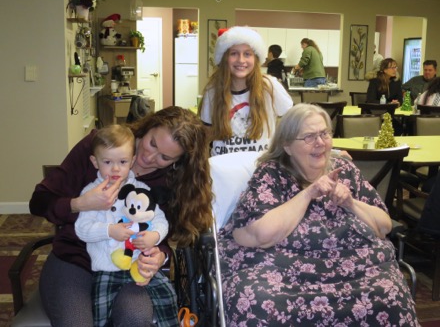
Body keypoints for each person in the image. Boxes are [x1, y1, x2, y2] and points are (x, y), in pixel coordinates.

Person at [217, 104, 419, 326]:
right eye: (309, 137)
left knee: (391, 293)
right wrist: (308, 194)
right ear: (287, 145)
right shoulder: (271, 175)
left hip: (357, 270)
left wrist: (351, 203)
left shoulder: (346, 170)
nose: (320, 143)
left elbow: (383, 227)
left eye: (324, 134)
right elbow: (259, 235)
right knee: (258, 300)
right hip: (284, 275)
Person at [29, 106, 212, 326]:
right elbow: (39, 201)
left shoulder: (172, 184)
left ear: (177, 162)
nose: (148, 157)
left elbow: (163, 235)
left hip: (127, 267)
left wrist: (158, 256)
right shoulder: (101, 145)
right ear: (148, 127)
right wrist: (80, 204)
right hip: (74, 259)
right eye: (152, 143)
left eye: (164, 157)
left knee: (135, 317)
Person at [74, 124, 169, 326]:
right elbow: (82, 229)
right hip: (105, 270)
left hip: (138, 265)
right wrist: (109, 231)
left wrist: (155, 236)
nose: (116, 168)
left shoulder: (142, 189)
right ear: (95, 162)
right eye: (108, 162)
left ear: (132, 161)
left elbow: (160, 220)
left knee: (167, 296)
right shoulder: (90, 192)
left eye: (123, 162)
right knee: (98, 315)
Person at [199, 26, 293, 156]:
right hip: (223, 168)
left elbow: (293, 123)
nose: (241, 60)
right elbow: (206, 134)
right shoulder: (213, 91)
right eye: (234, 53)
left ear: (256, 58)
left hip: (261, 169)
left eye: (247, 54)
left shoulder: (269, 86)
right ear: (224, 58)